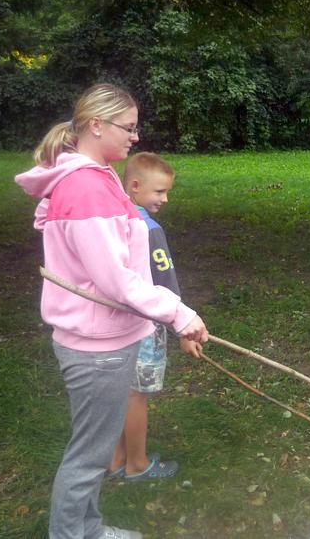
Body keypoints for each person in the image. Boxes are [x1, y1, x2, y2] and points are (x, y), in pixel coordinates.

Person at [15, 84, 209, 539]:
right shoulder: (86, 187)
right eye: (129, 127)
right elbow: (116, 280)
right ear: (96, 125)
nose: (136, 137)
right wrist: (179, 313)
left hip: (105, 340)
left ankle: (89, 529)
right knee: (88, 456)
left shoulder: (96, 177)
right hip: (96, 348)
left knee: (95, 449)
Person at [102, 152, 202, 482]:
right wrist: (184, 330)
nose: (165, 198)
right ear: (135, 186)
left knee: (120, 392)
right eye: (159, 191)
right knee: (136, 396)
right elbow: (165, 283)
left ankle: (116, 459)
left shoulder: (113, 220)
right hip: (144, 326)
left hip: (115, 324)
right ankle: (137, 464)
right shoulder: (149, 229)